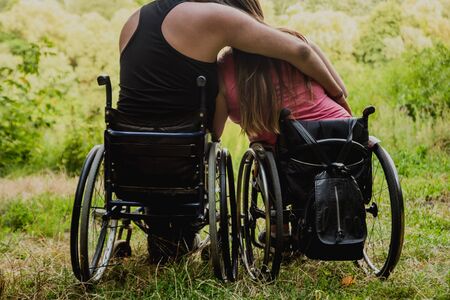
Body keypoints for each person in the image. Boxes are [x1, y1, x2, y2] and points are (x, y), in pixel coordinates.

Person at [117, 0, 346, 262]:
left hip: (127, 151)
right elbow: (300, 52)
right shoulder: (213, 15)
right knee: (192, 149)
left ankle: (165, 239)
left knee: (168, 153)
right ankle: (176, 238)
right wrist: (338, 95)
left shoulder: (132, 20)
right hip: (181, 152)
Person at [213, 0, 352, 144]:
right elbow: (342, 91)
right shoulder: (294, 40)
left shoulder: (223, 68)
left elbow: (215, 132)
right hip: (342, 135)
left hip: (291, 156)